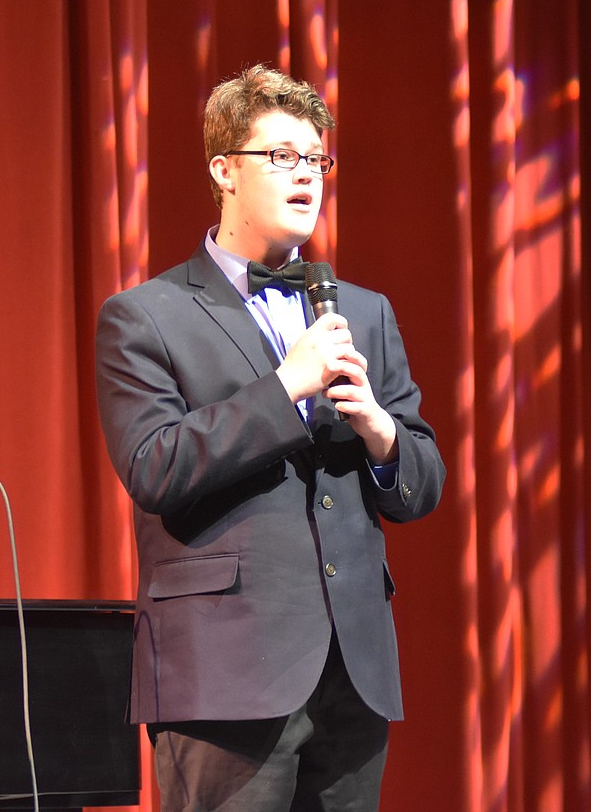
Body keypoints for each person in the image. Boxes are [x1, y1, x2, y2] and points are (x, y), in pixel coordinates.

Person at [94, 64, 445, 811]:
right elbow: (155, 467)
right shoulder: (145, 316)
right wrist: (287, 388)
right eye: (281, 156)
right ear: (224, 170)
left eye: (316, 158)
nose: (307, 175)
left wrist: (381, 431)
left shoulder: (364, 312)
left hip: (353, 672)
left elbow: (422, 481)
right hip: (225, 675)